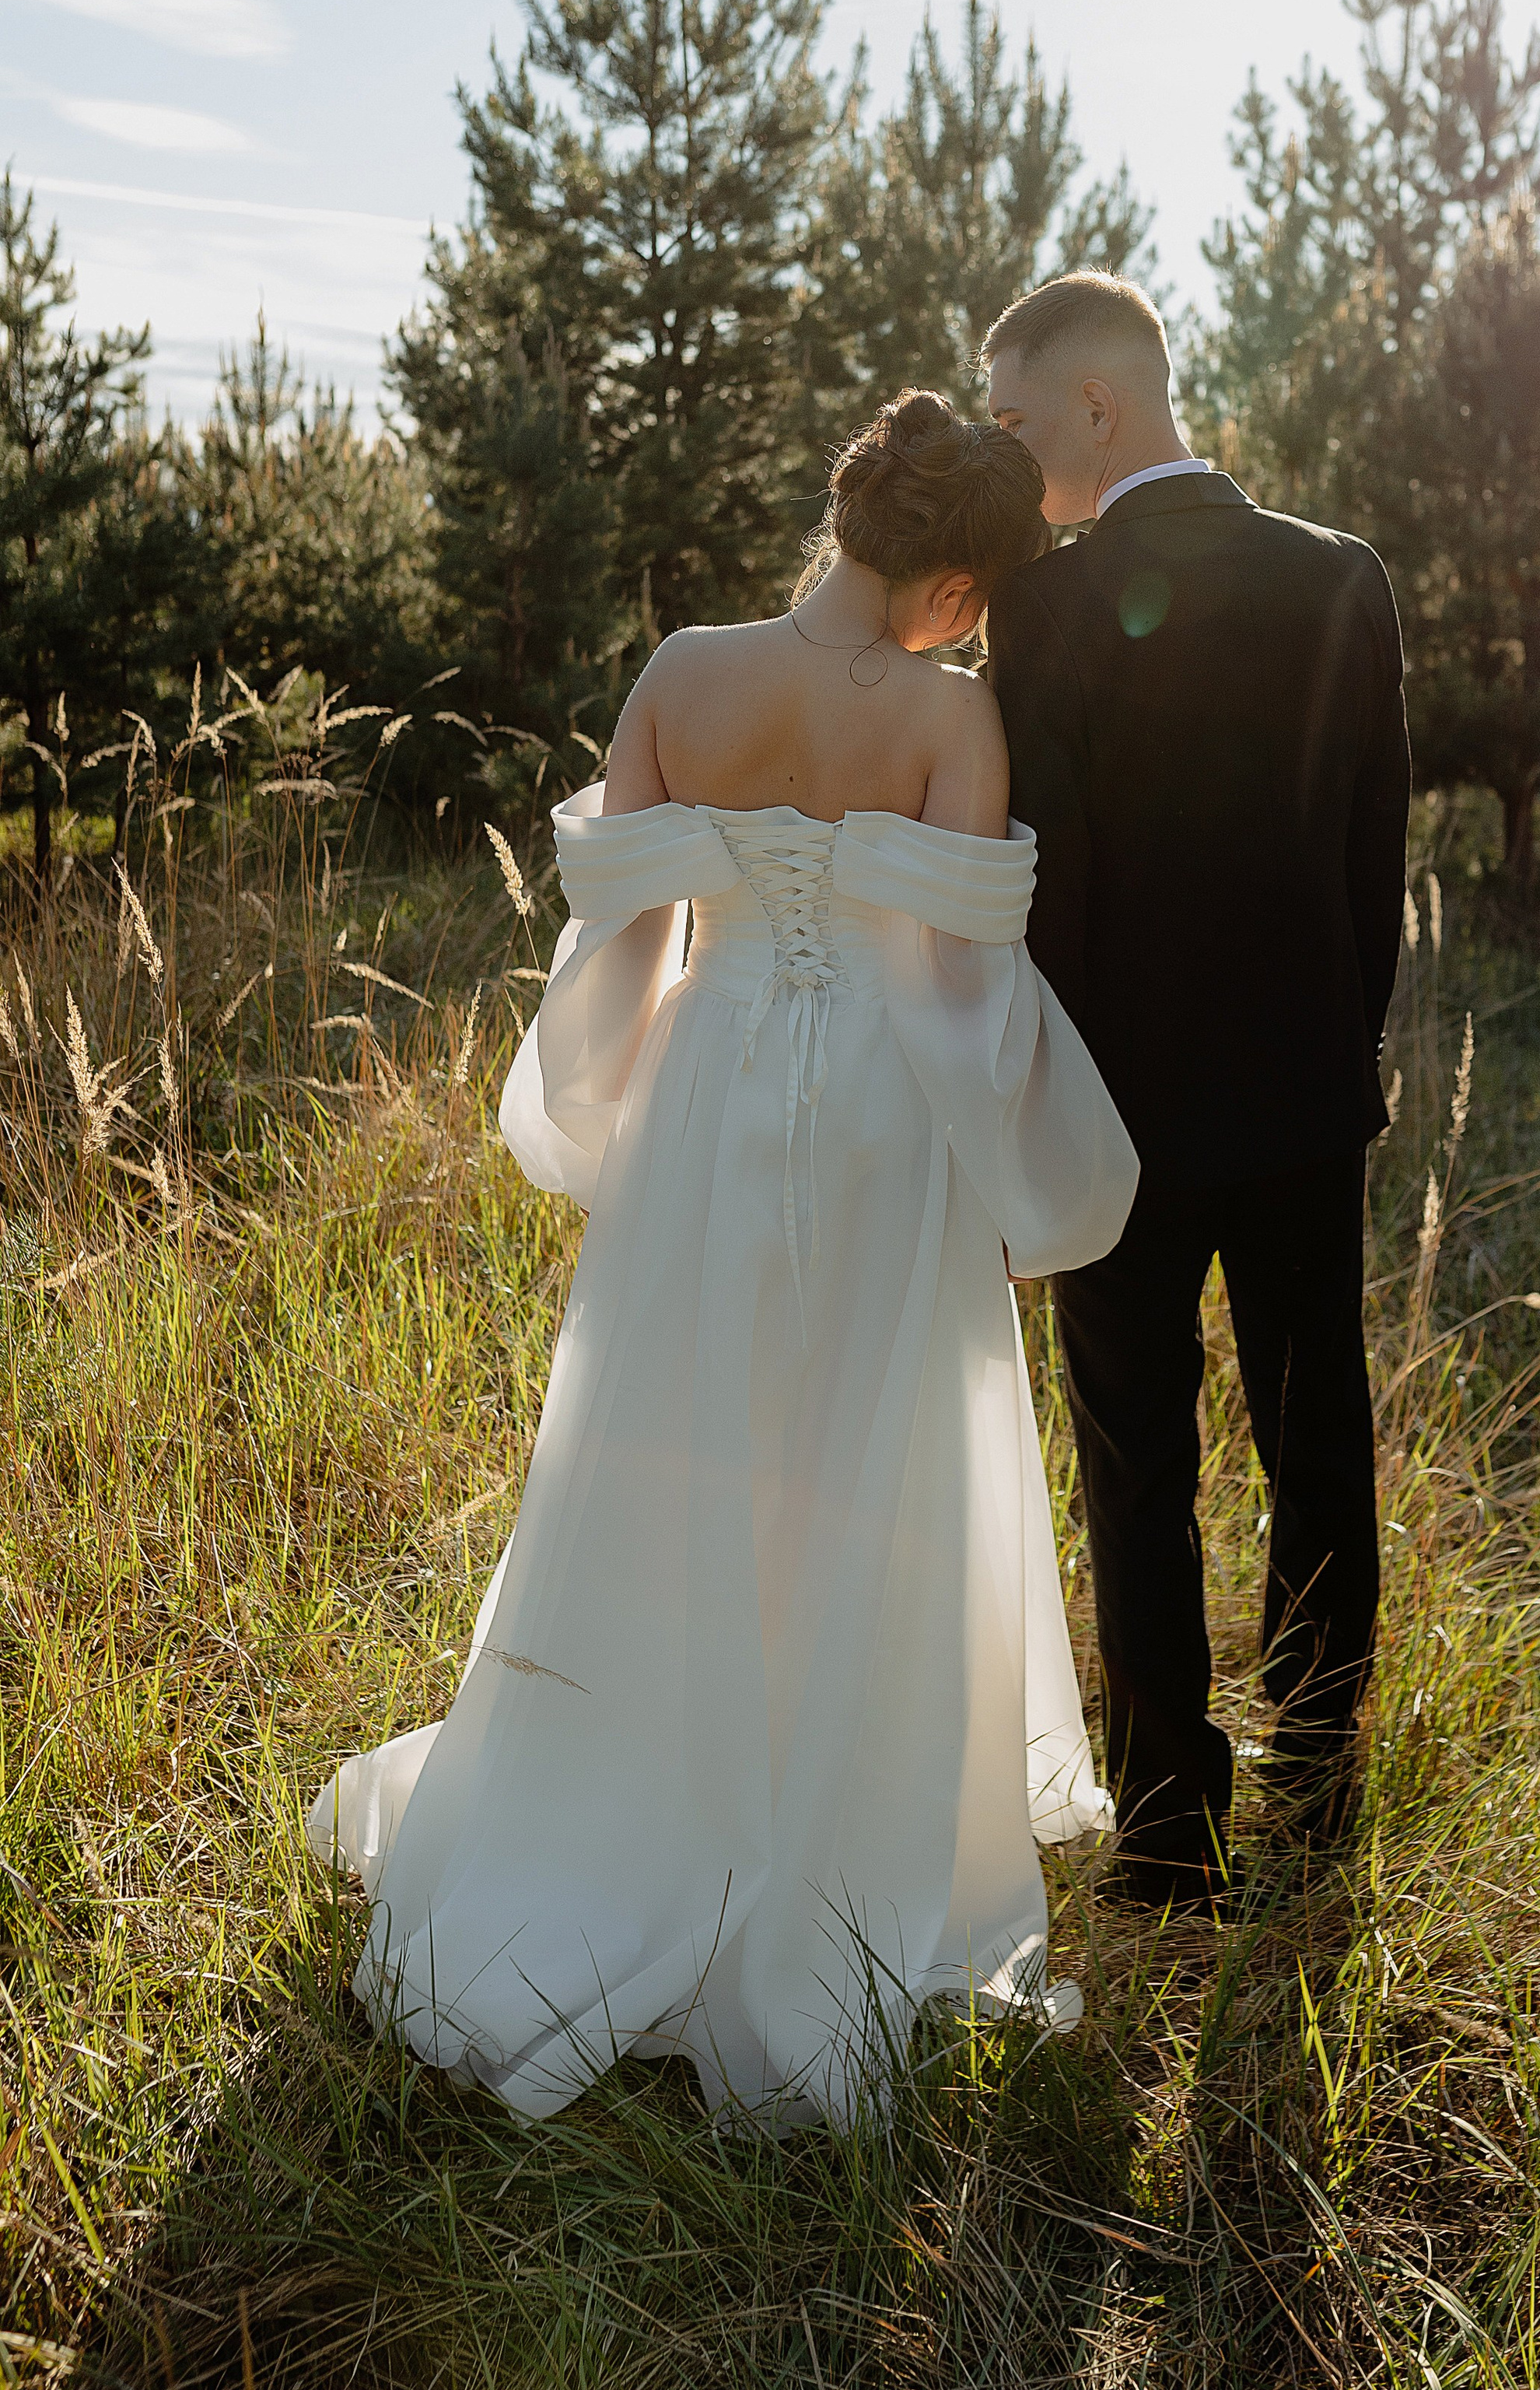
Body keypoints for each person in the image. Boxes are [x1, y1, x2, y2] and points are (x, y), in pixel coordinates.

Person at [308, 391, 1138, 2122]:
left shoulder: (684, 669)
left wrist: (612, 1100)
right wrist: (1038, 1165)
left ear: (852, 517)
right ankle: (831, 1846)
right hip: (879, 1137)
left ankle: (615, 1824)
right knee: (863, 1460)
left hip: (704, 1105)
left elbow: (626, 930)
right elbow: (966, 991)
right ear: (963, 577)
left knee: (666, 1444)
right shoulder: (949, 718)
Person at [983, 273, 1411, 1911]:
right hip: (1305, 1097)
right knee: (1317, 1430)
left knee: (1136, 1459)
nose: (1007, 461)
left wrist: (1040, 1113)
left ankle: (1168, 1829)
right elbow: (1374, 846)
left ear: (1100, 406)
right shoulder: (1338, 577)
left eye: (1017, 424)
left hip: (1118, 1121)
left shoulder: (1047, 611)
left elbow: (1047, 885)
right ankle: (1318, 1762)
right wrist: (1340, 1047)